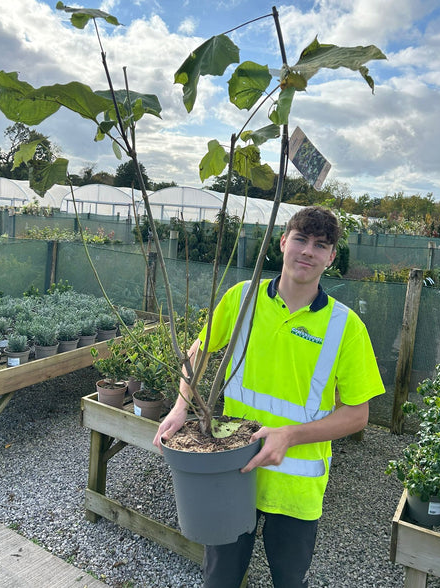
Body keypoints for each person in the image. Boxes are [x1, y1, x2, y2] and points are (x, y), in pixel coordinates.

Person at [154, 206, 385, 588]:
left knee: (289, 580)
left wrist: (289, 435)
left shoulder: (346, 327)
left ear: (331, 257)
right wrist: (181, 407)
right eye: (300, 239)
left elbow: (358, 415)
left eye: (321, 245)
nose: (308, 251)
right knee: (220, 578)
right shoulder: (243, 299)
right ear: (282, 242)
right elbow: (197, 351)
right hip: (231, 473)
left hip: (295, 487)